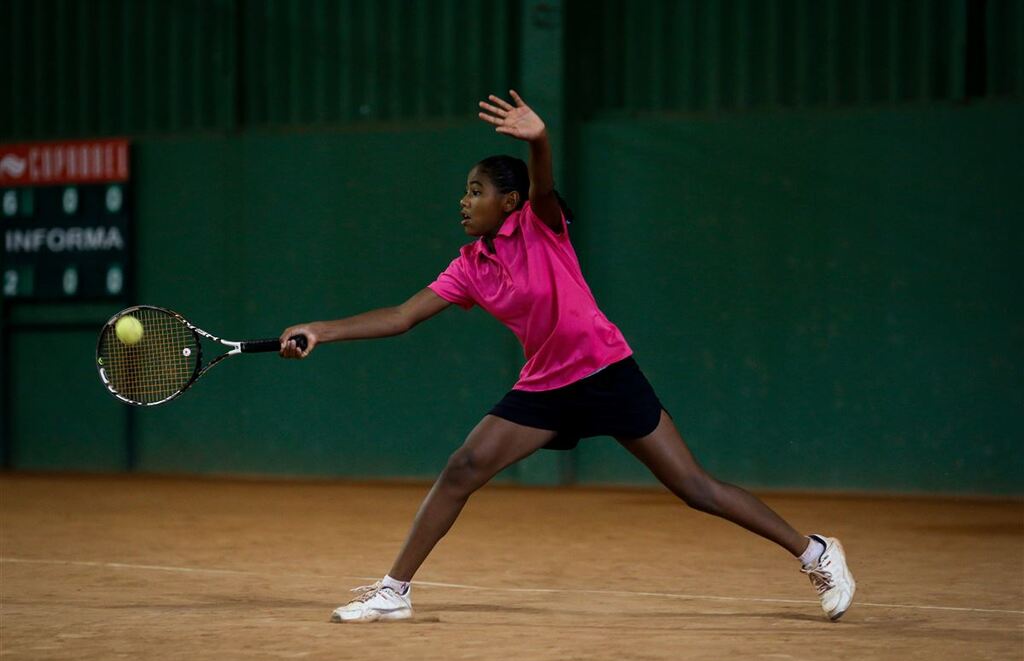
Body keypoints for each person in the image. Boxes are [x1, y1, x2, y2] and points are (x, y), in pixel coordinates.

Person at [279, 90, 855, 624]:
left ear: (509, 200)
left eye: (476, 191)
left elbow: (543, 186)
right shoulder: (469, 265)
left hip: (607, 371)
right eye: (465, 191)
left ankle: (816, 551)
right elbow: (402, 316)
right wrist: (321, 330)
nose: (464, 200)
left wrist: (539, 140)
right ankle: (394, 591)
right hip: (546, 387)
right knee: (463, 468)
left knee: (694, 489)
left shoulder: (539, 225)